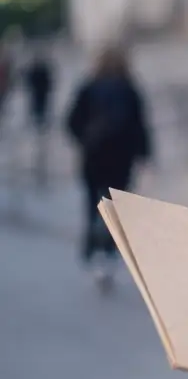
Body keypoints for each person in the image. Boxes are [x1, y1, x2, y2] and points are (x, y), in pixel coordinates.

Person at [66, 44, 152, 290]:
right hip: (121, 158)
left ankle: (95, 251)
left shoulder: (89, 87)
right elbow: (140, 125)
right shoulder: (130, 89)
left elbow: (71, 121)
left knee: (94, 204)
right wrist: (144, 154)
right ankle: (109, 256)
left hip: (93, 156)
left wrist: (84, 139)